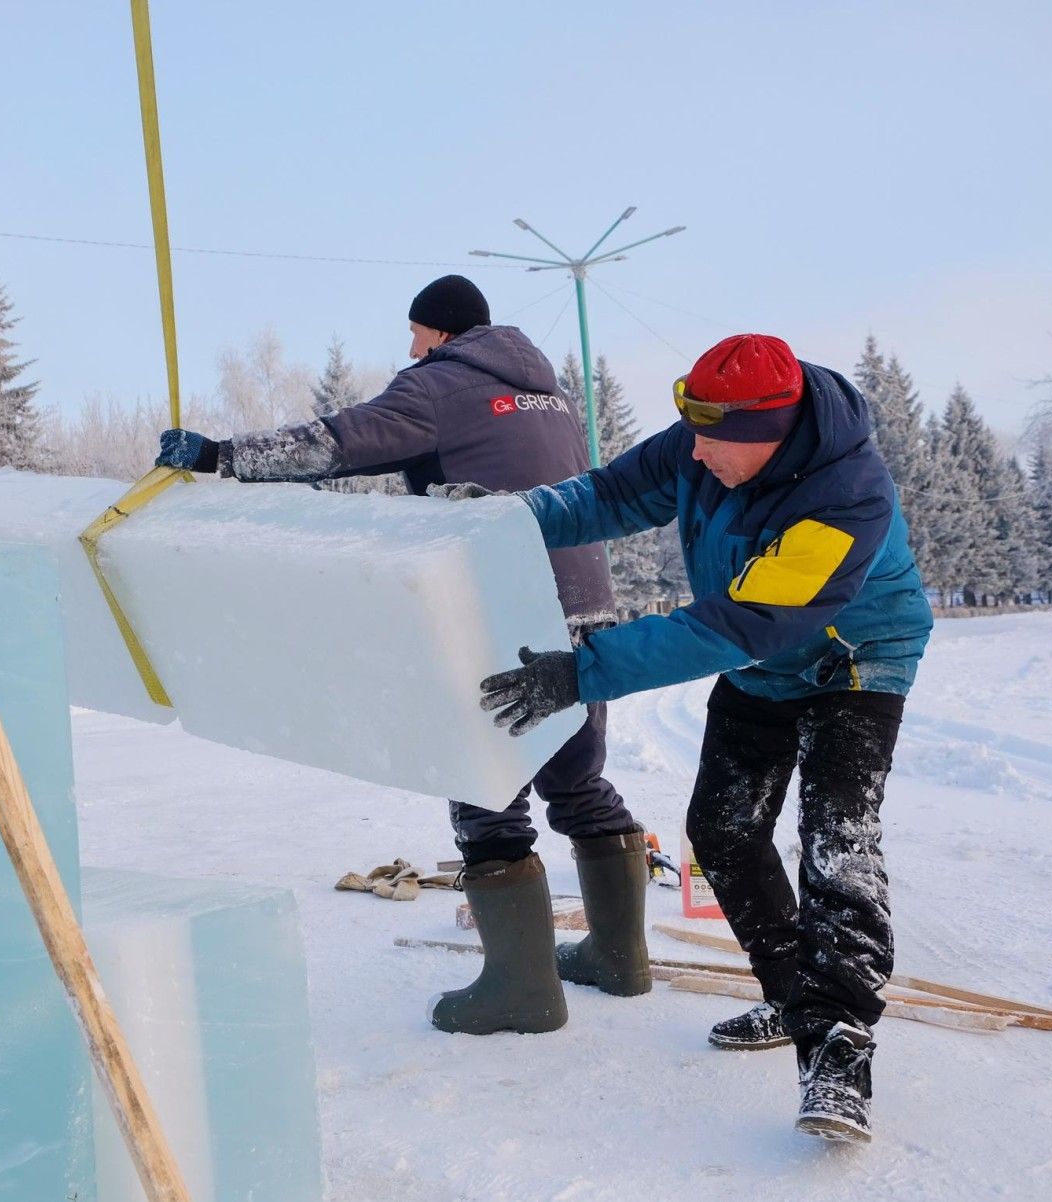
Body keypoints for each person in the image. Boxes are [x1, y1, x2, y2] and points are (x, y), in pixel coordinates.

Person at [463, 333, 933, 1143]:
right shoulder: (707, 435)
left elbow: (742, 621)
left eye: (717, 441)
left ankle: (838, 1048)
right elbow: (603, 497)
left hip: (853, 663)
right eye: (695, 432)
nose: (698, 452)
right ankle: (791, 996)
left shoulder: (847, 496)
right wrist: (505, 518)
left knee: (836, 843)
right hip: (763, 663)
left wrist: (581, 672)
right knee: (721, 829)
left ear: (774, 435)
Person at [154, 275, 651, 1036]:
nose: (409, 347)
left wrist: (219, 454)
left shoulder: (443, 384)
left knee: (483, 784)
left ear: (442, 333)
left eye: (415, 332)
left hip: (499, 611)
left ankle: (523, 991)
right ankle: (620, 961)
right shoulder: (545, 392)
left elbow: (341, 442)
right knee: (577, 779)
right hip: (579, 604)